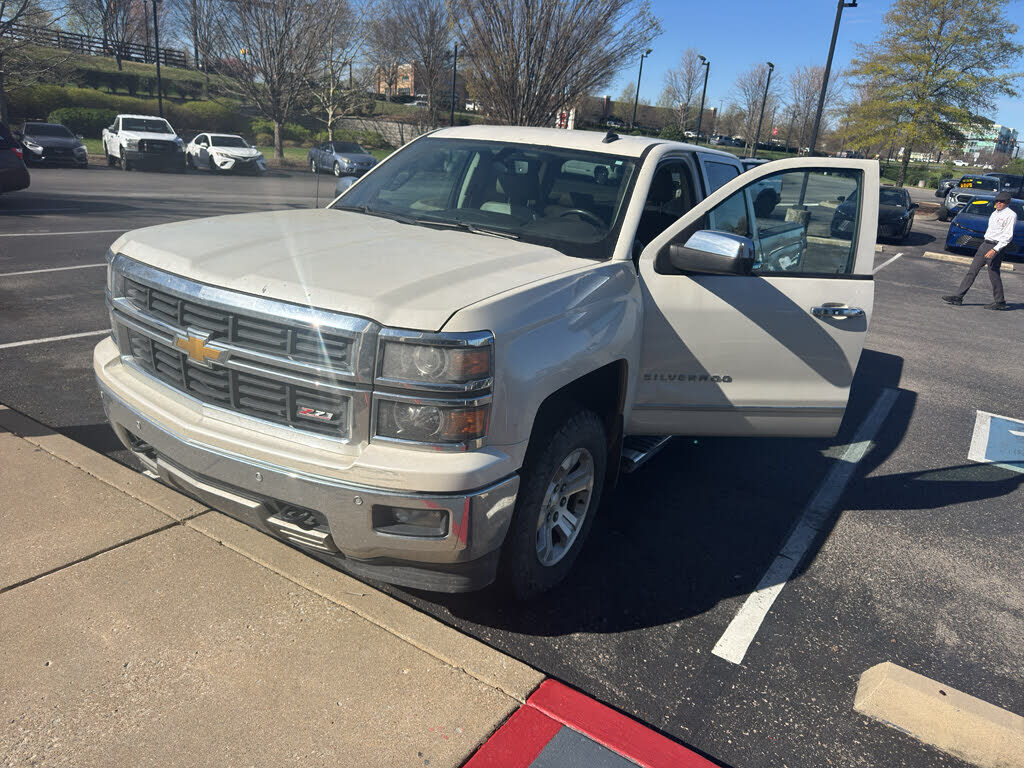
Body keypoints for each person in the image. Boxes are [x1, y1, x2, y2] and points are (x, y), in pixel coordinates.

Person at [942, 190, 1017, 310]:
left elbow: (1007, 236)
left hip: (996, 246)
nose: (998, 203)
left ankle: (1000, 302)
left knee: (993, 273)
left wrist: (995, 250)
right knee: (972, 271)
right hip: (985, 244)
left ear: (1007, 202)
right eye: (997, 201)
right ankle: (958, 297)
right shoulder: (995, 213)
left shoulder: (1010, 215)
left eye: (1001, 201)